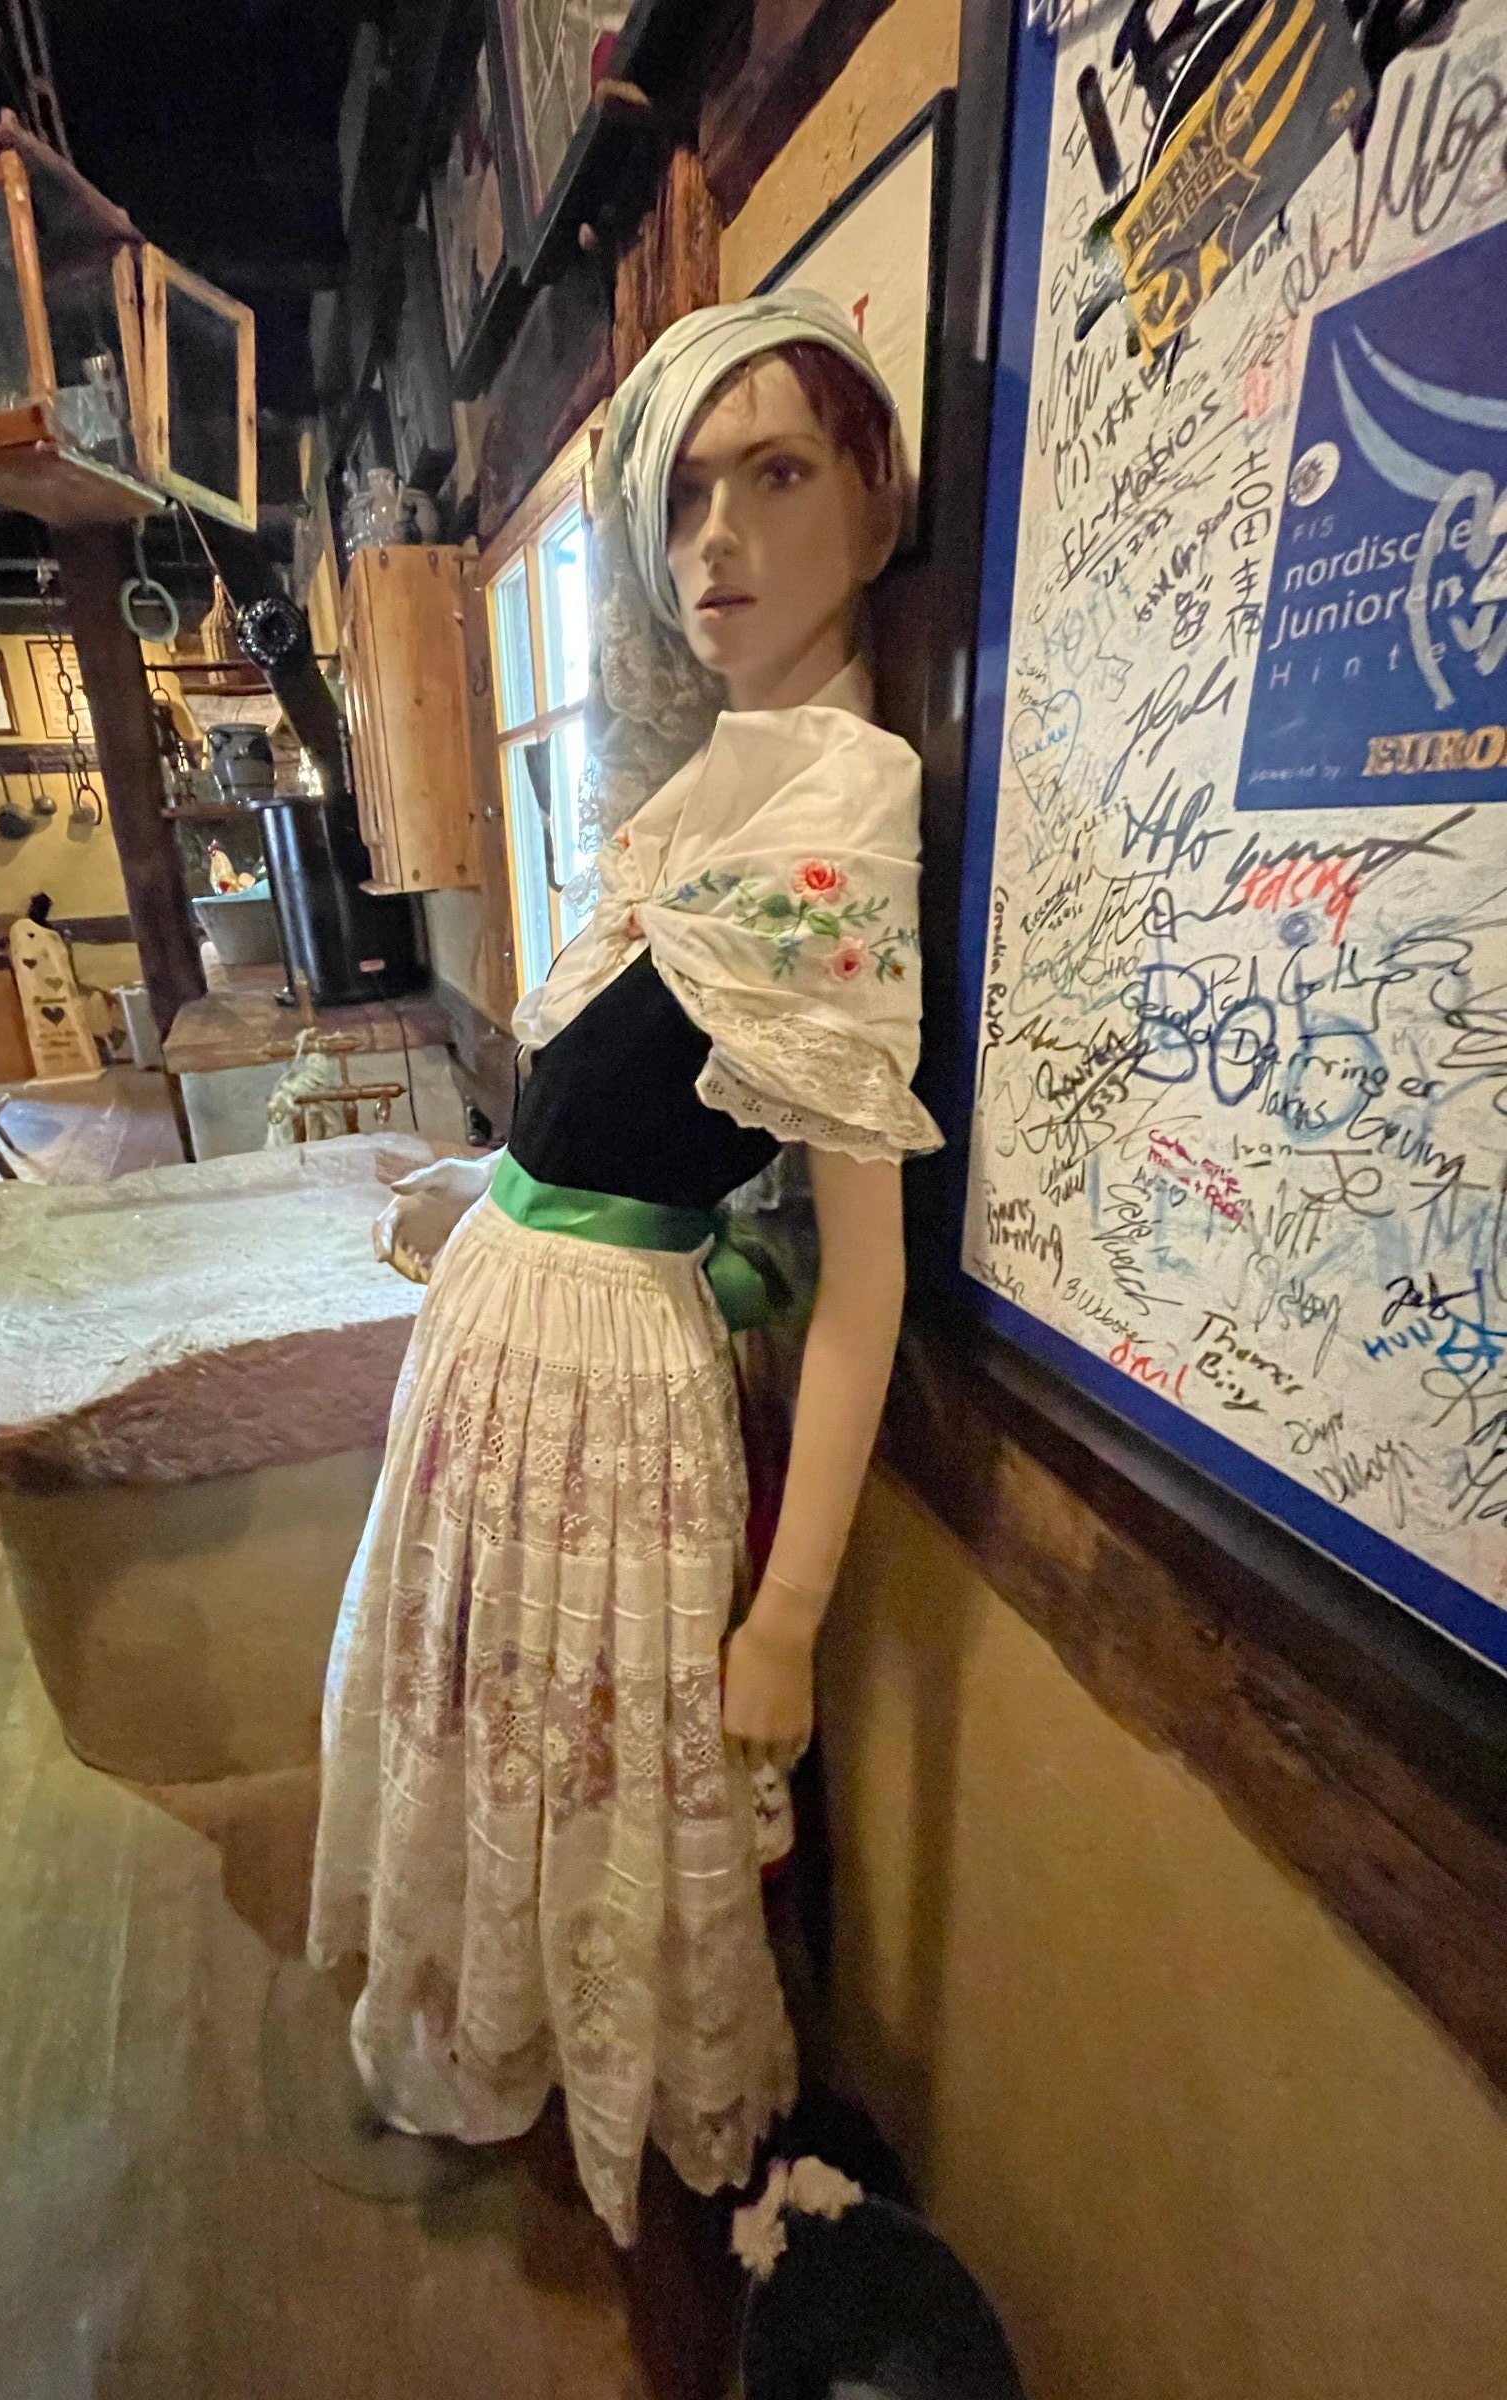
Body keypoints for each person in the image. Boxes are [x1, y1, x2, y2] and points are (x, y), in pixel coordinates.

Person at [307, 292, 944, 2247]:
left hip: (608, 1386)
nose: (719, 541)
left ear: (875, 502)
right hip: (516, 1337)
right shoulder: (704, 785)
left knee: (596, 1763)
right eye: (685, 498)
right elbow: (616, 1103)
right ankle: (489, 2030)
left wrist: (791, 1615)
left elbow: (866, 1279)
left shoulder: (841, 811)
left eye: (779, 475)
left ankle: (619, 2087)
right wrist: (485, 1191)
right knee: (499, 1718)